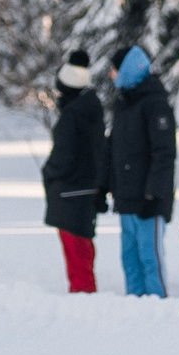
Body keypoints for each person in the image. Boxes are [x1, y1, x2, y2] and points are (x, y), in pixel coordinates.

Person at [110, 44, 176, 298]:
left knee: (150, 256)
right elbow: (115, 150)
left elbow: (164, 153)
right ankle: (134, 307)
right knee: (129, 257)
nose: (111, 74)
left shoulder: (155, 104)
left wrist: (153, 194)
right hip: (126, 196)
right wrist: (108, 186)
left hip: (148, 199)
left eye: (115, 69)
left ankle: (157, 307)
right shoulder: (123, 104)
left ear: (127, 69)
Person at [42, 48, 109, 293]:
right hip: (85, 192)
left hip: (70, 193)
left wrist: (49, 173)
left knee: (77, 259)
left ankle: (83, 305)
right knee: (83, 255)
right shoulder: (92, 110)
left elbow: (64, 156)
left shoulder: (72, 115)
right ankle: (84, 300)